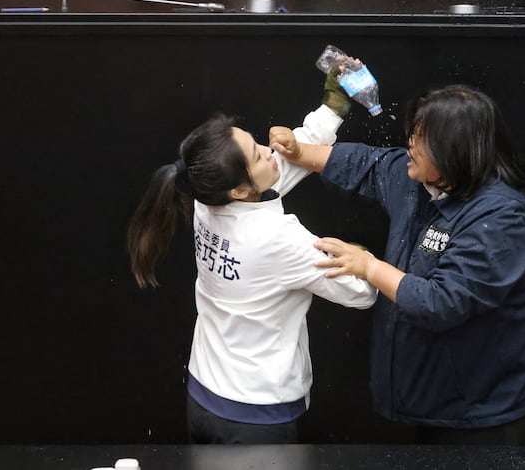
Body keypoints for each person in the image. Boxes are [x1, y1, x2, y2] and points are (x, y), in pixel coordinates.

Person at [271, 84, 525, 445]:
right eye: (411, 135)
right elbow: (364, 165)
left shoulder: (501, 221)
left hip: (483, 416)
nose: (409, 146)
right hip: (431, 402)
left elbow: (442, 302)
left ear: (454, 151)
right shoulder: (415, 177)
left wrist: (368, 267)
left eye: (421, 139)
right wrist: (299, 151)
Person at [126, 72, 376, 444]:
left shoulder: (206, 199)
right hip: (256, 417)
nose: (269, 150)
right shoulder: (277, 238)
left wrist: (332, 109)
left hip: (204, 392)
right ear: (240, 188)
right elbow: (360, 291)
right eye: (259, 153)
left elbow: (277, 170)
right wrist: (362, 256)